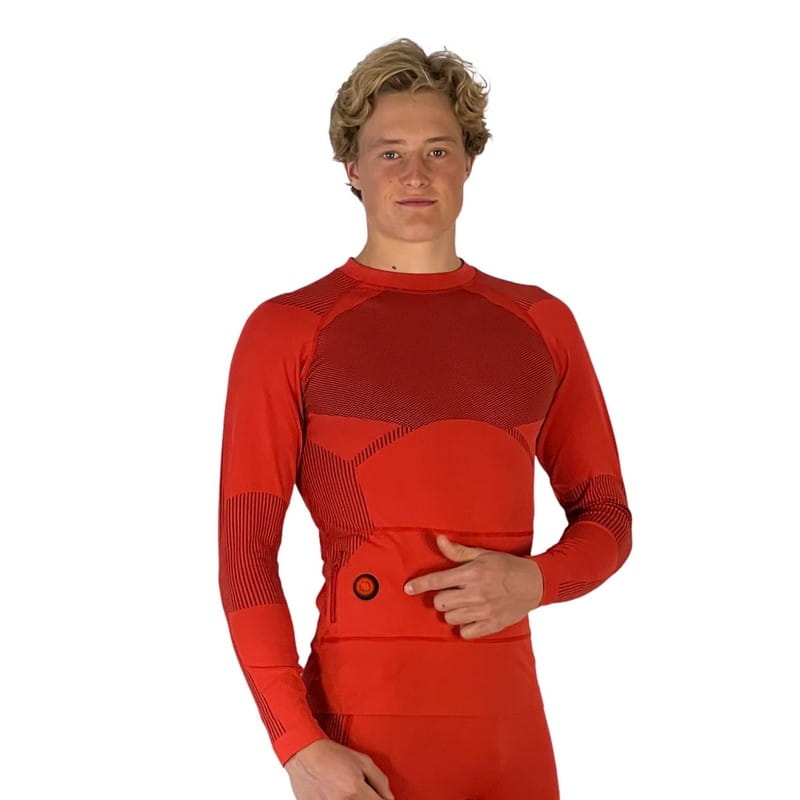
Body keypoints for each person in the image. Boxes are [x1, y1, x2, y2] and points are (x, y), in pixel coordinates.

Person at [217, 37, 632, 800]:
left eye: (438, 150)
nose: (415, 174)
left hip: (509, 739)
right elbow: (246, 551)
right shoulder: (289, 330)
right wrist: (298, 745)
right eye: (390, 153)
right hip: (361, 739)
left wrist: (537, 579)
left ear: (469, 161)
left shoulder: (540, 323)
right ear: (351, 167)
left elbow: (606, 515)